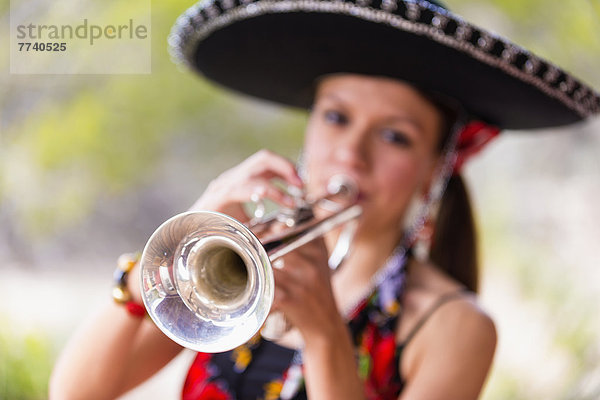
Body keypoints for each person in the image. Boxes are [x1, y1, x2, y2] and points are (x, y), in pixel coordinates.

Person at [50, 0, 599, 399]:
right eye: (336, 117)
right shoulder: (242, 269)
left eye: (394, 136)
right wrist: (169, 254)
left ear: (436, 166)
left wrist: (323, 333)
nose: (351, 154)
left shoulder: (453, 326)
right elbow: (76, 391)